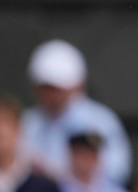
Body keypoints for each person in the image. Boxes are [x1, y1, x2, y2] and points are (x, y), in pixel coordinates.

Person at [20, 39, 131, 184]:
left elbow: (117, 170)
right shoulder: (28, 122)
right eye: (44, 88)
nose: (50, 95)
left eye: (57, 88)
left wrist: (66, 175)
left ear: (78, 85)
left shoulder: (102, 121)